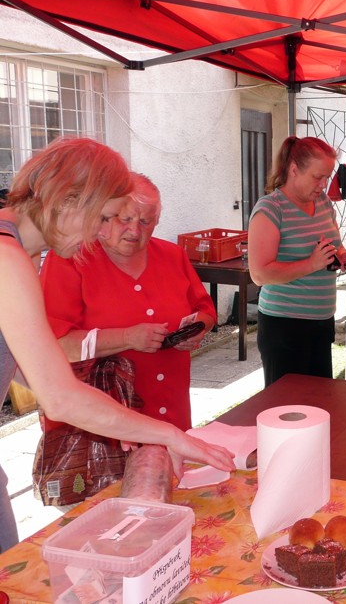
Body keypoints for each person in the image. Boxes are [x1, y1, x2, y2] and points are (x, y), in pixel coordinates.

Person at [0, 137, 234, 552]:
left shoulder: (20, 251)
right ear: (68, 198)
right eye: (104, 217)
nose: (104, 233)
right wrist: (165, 434)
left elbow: (28, 369)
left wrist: (113, 418)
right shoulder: (8, 257)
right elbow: (60, 397)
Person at [40, 173, 216, 432]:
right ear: (104, 216)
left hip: (170, 409)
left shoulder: (172, 256)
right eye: (125, 219)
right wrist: (127, 338)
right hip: (100, 425)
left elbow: (205, 310)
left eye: (145, 221)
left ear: (157, 221)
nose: (135, 230)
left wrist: (197, 328)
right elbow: (55, 345)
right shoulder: (70, 260)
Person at [248, 136, 346, 386]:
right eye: (318, 177)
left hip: (321, 321)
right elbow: (260, 274)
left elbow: (333, 243)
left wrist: (341, 255)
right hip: (285, 326)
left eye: (327, 177)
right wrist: (311, 264)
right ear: (294, 169)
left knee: (319, 400)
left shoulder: (323, 202)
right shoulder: (271, 209)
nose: (324, 185)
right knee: (287, 404)